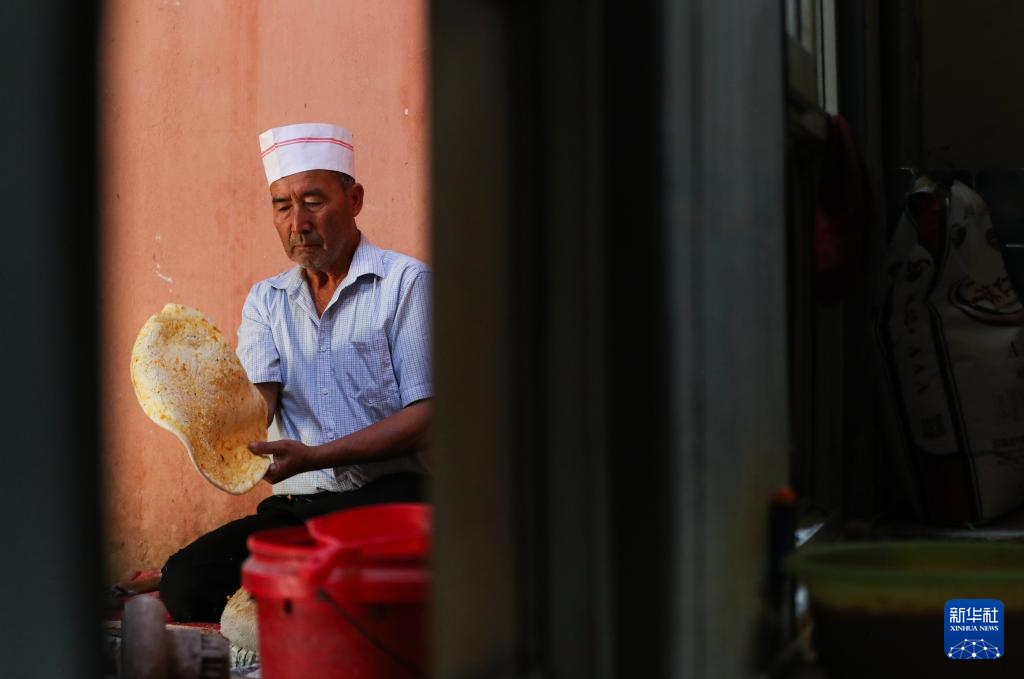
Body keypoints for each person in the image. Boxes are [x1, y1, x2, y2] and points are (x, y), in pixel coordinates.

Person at [159, 122, 432, 622]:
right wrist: (197, 405)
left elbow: (426, 419)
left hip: (389, 502)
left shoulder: (406, 284)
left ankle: (306, 603)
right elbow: (256, 407)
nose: (297, 223)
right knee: (185, 583)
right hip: (300, 508)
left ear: (354, 199)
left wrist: (315, 457)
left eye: (313, 201)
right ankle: (313, 601)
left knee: (353, 575)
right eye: (282, 206)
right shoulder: (267, 301)